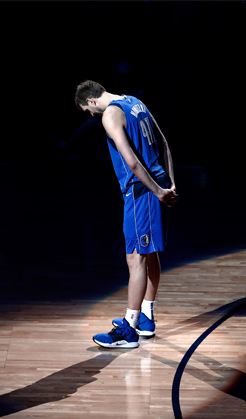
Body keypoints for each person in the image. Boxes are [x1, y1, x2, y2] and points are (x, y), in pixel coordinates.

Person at [74, 80, 178, 349]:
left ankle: (129, 329)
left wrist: (156, 191)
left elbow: (131, 161)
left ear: (92, 101)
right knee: (149, 253)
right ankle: (146, 316)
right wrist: (171, 185)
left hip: (141, 191)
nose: (91, 116)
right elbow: (164, 142)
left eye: (87, 111)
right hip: (160, 182)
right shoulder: (136, 102)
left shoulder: (109, 113)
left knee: (135, 258)